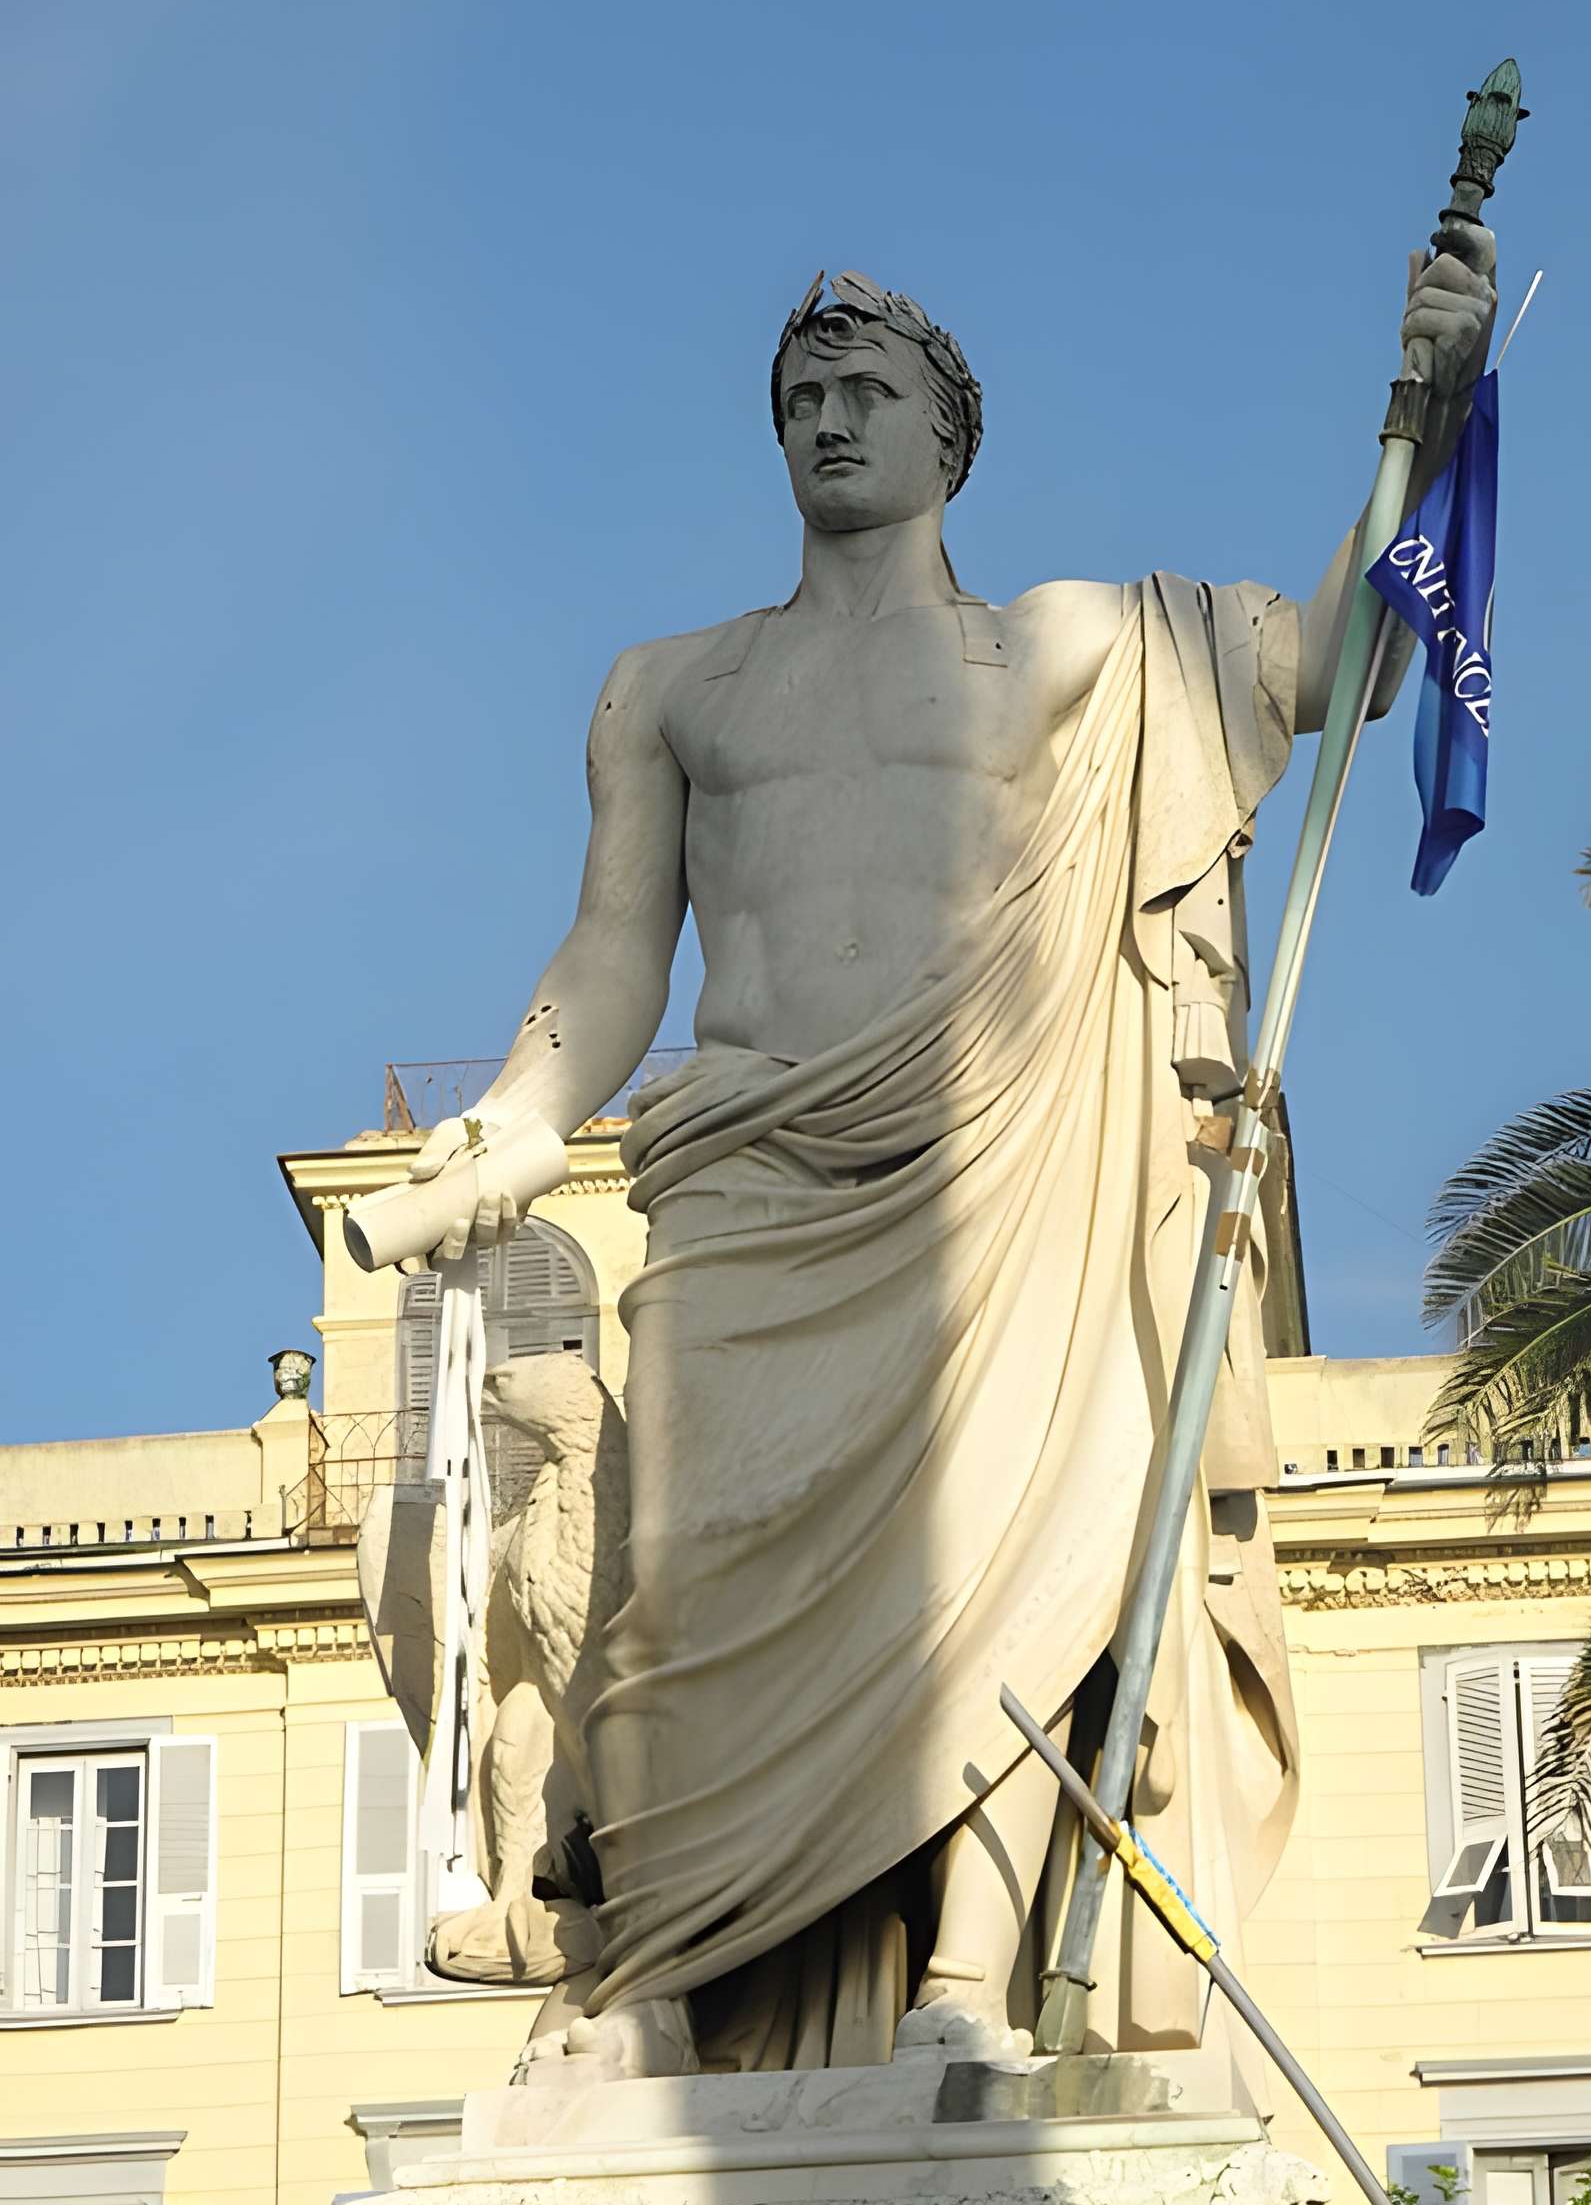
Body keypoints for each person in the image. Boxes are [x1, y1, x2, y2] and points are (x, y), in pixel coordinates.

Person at [401, 247, 1496, 2082]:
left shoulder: (1072, 645)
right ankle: (657, 1990)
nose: (829, 423)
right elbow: (610, 954)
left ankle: (963, 1995)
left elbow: (1338, 671)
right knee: (676, 1579)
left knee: (1007, 1561)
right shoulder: (671, 686)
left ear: (947, 439)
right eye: (801, 402)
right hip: (743, 1169)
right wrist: (515, 1125)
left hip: (1003, 1162)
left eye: (867, 396)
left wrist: (1432, 409)